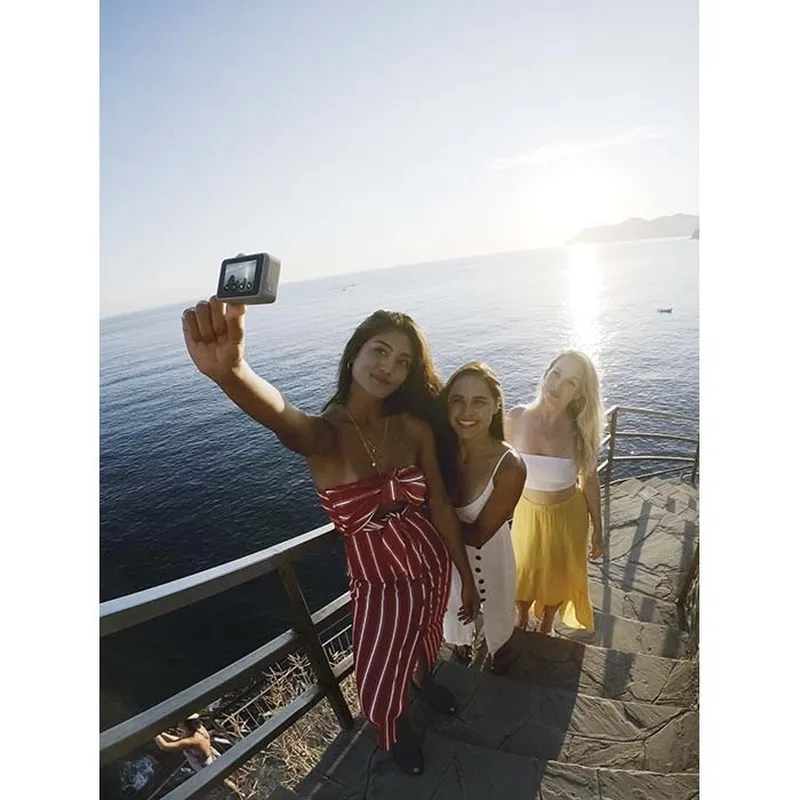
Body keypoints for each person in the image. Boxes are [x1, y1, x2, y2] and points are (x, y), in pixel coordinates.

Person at [181, 298, 479, 776]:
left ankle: (424, 679)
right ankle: (395, 727)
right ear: (354, 353)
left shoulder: (413, 427)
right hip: (378, 579)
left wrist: (464, 573)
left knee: (424, 632)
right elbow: (284, 417)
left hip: (430, 559)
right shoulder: (325, 435)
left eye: (403, 361)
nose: (389, 368)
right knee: (379, 663)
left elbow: (440, 504)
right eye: (380, 351)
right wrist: (232, 373)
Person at [506, 349, 605, 636]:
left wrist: (598, 528)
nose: (557, 386)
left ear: (579, 393)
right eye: (556, 373)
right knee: (523, 571)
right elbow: (496, 467)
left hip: (568, 518)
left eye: (571, 382)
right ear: (547, 372)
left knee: (559, 574)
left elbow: (589, 480)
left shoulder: (580, 430)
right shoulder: (516, 418)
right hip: (527, 514)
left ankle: (548, 622)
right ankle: (521, 615)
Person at [438, 363, 526, 673]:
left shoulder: (510, 466)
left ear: (496, 405)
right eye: (457, 400)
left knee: (498, 609)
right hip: (447, 560)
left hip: (491, 556)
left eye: (479, 401)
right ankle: (461, 645)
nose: (466, 411)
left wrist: (431, 520)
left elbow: (478, 535)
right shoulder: (438, 452)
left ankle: (500, 652)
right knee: (453, 609)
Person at [154, 714, 241, 795]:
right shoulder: (198, 729)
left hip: (205, 765)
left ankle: (239, 795)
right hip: (212, 757)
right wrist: (162, 734)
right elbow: (178, 740)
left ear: (184, 724)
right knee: (225, 779)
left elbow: (165, 746)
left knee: (223, 782)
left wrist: (153, 734)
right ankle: (239, 793)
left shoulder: (193, 740)